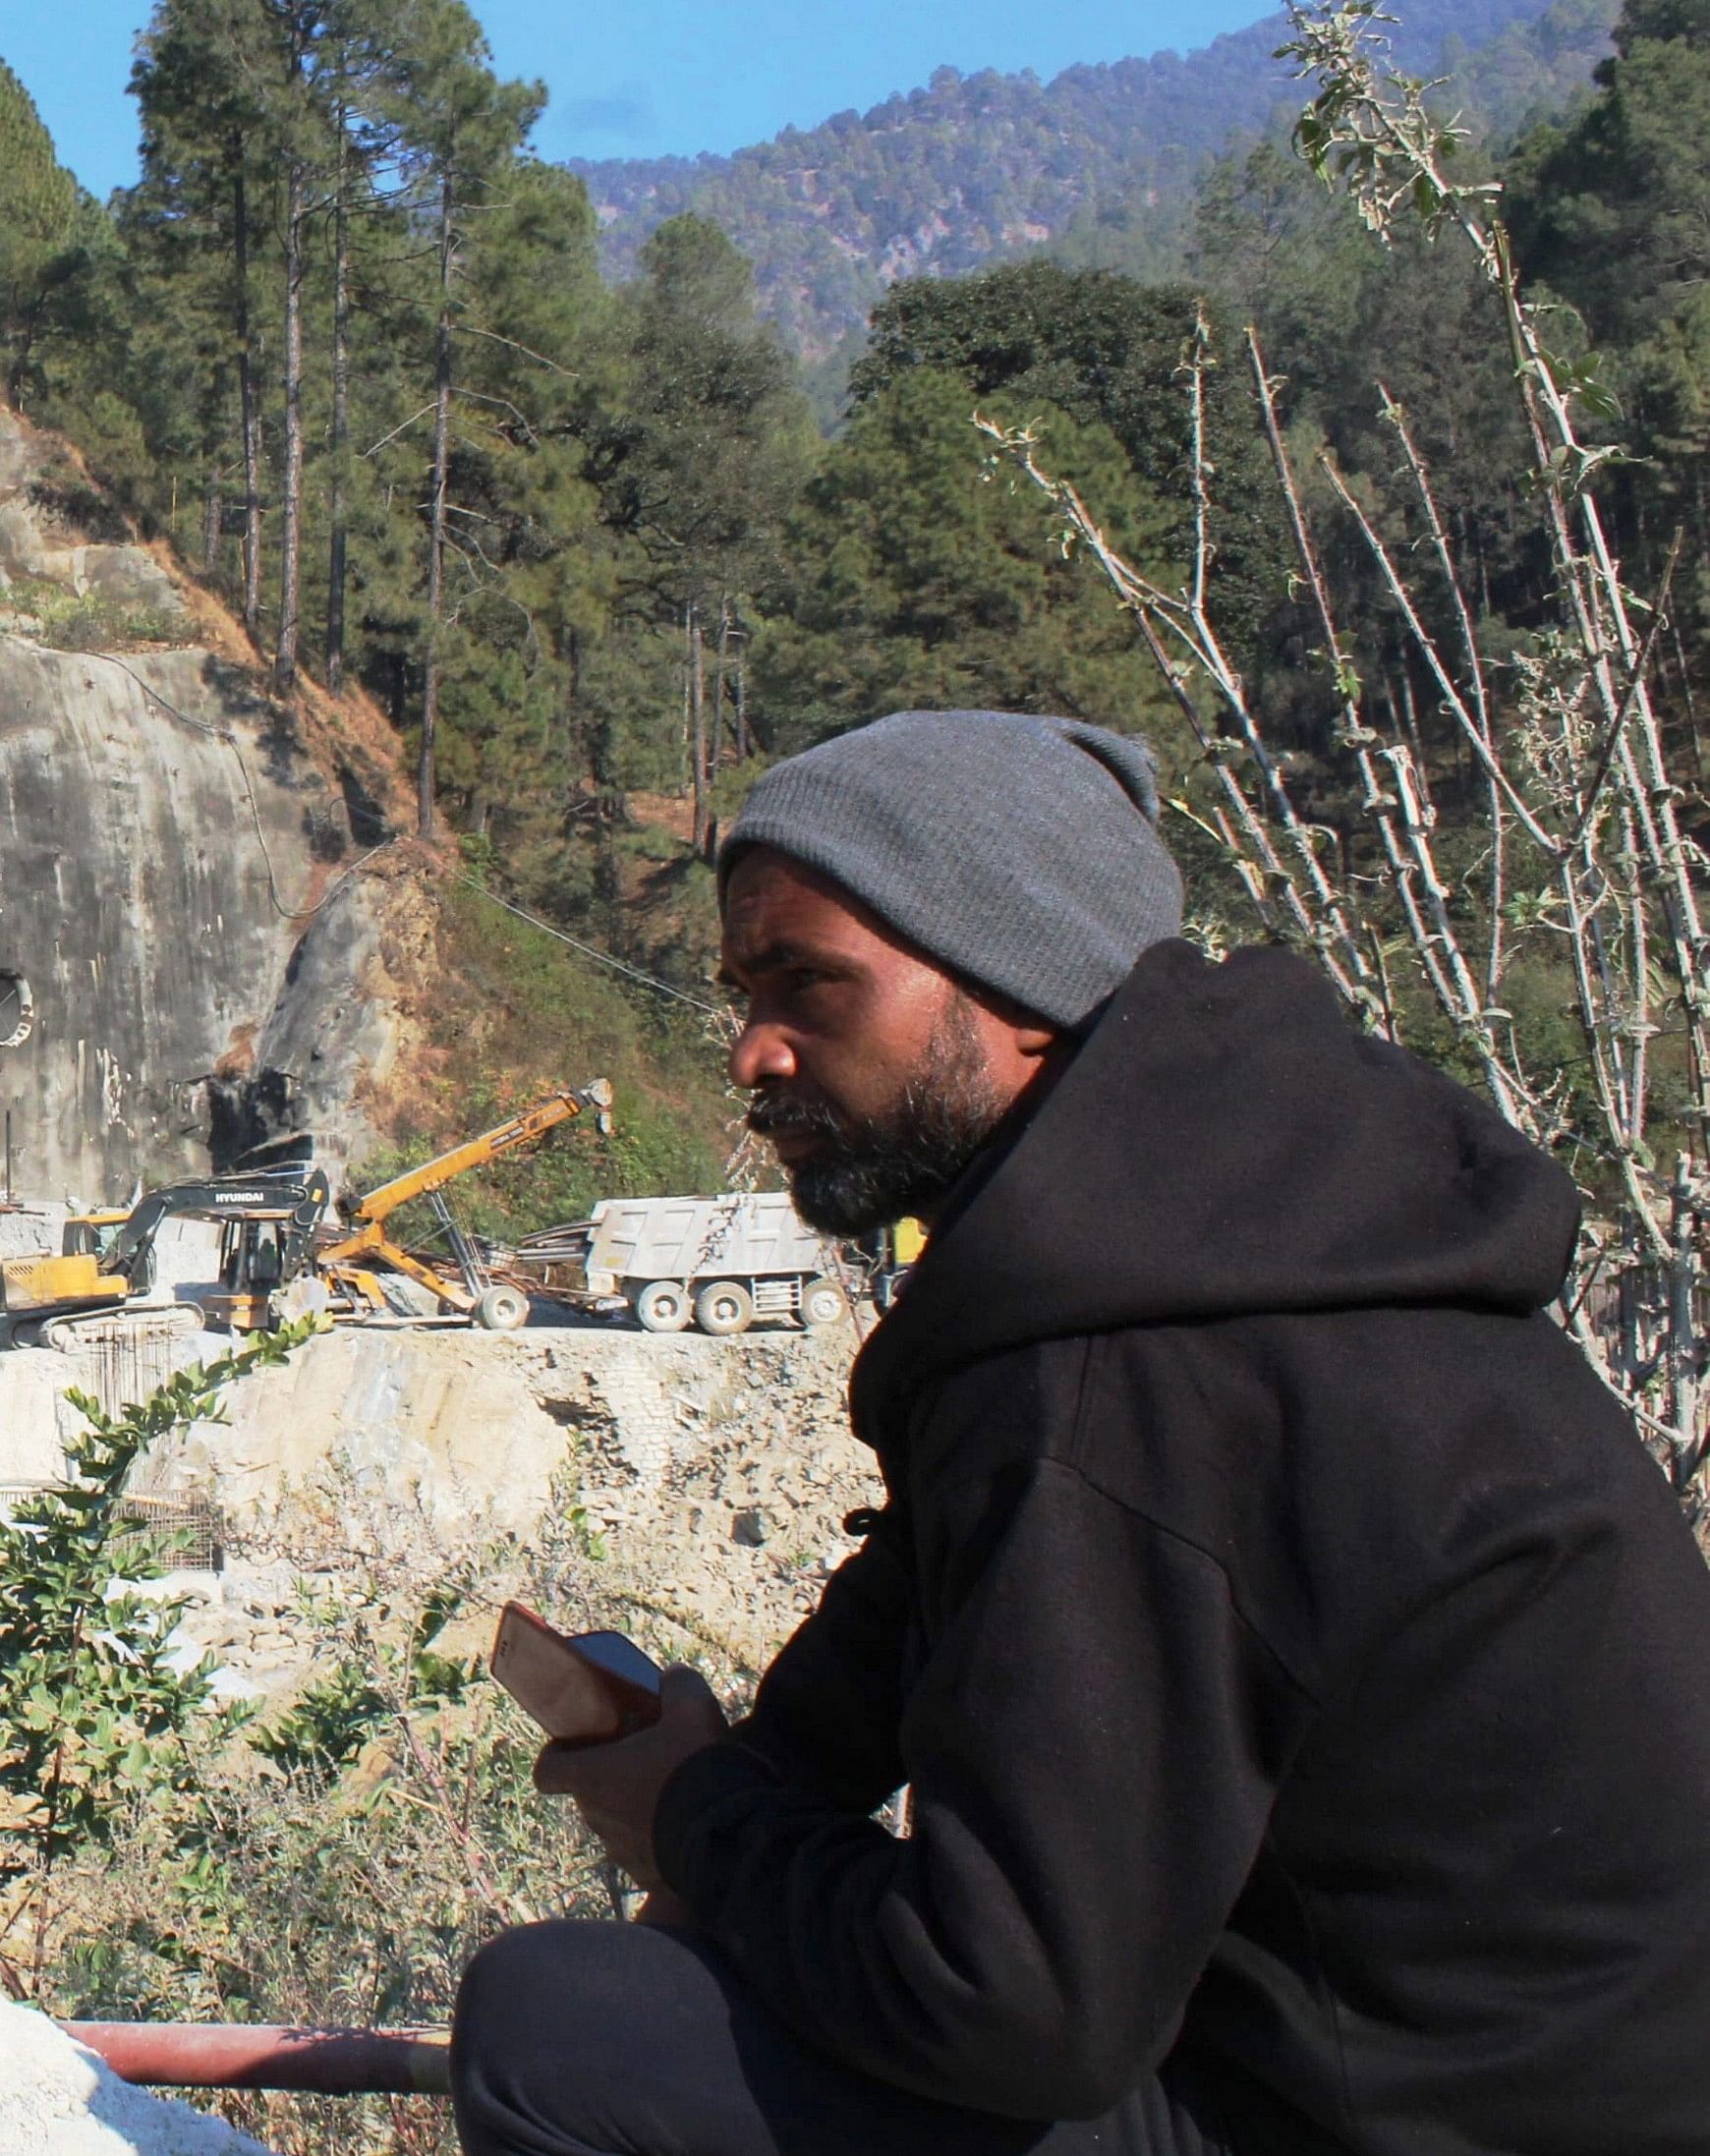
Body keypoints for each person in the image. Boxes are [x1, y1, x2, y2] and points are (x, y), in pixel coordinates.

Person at [451, 709, 1710, 2156]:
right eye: (745, 989)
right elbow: (924, 1595)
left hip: (1404, 2122)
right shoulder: (1212, 1228)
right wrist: (734, 1786)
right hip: (1440, 2073)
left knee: (558, 2035)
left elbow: (1017, 2007)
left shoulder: (1131, 1371)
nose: (753, 1054)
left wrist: (701, 1825)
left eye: (810, 987)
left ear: (1020, 984)